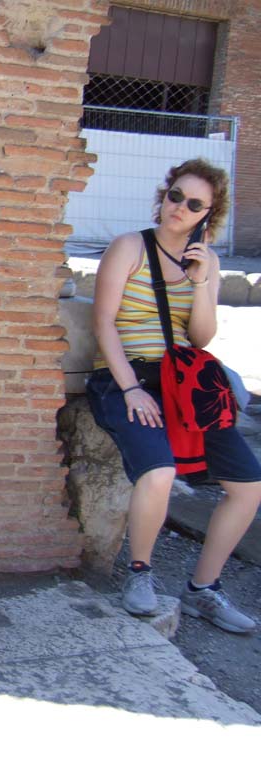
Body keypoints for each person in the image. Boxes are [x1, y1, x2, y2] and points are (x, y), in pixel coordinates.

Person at [86, 157, 261, 633]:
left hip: (184, 384)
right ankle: (140, 575)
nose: (179, 208)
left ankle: (205, 588)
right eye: (175, 196)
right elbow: (103, 323)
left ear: (209, 214)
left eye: (194, 204)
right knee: (159, 470)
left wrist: (203, 283)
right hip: (126, 377)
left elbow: (200, 338)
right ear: (163, 196)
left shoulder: (206, 261)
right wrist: (130, 390)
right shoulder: (130, 247)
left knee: (249, 485)